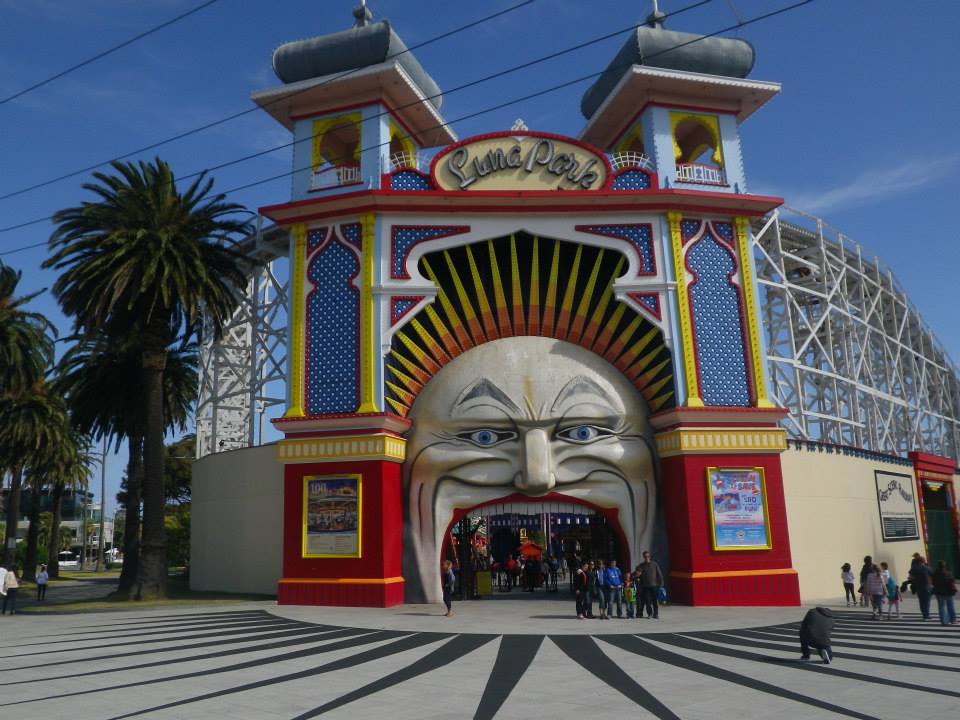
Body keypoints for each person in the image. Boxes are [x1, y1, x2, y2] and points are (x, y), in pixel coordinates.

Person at [638, 551, 664, 619]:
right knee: (648, 601)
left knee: (655, 601)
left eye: (648, 556)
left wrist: (661, 583)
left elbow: (659, 574)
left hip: (654, 585)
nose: (647, 557)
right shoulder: (641, 565)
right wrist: (637, 575)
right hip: (645, 586)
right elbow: (637, 574)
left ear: (650, 557)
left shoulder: (654, 564)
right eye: (645, 556)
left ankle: (656, 614)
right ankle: (649, 613)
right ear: (643, 557)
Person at [932, 560, 957, 626]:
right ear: (944, 566)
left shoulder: (935, 573)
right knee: (950, 606)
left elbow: (933, 582)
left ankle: (943, 621)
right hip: (948, 592)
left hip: (939, 592)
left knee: (941, 607)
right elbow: (952, 581)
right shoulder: (948, 573)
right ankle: (953, 619)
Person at [909, 555, 933, 620]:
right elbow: (932, 574)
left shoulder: (913, 569)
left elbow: (910, 577)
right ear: (922, 561)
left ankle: (924, 614)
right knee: (927, 601)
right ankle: (926, 615)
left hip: (918, 587)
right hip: (927, 586)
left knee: (921, 601)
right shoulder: (927, 568)